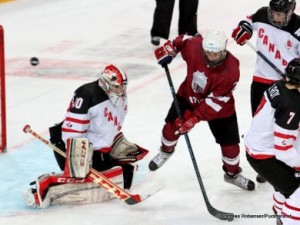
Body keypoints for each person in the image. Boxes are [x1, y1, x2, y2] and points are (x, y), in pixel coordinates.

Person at [23, 64, 149, 208]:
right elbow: (73, 132)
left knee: (126, 170)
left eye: (123, 87)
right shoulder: (87, 93)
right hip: (69, 145)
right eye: (117, 87)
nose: (121, 91)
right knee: (82, 178)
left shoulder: (121, 98)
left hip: (96, 149)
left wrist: (115, 143)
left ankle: (96, 165)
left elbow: (110, 127)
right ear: (106, 83)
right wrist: (79, 159)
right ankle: (41, 188)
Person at [149, 30, 255, 191]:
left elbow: (215, 101)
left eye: (216, 54)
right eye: (208, 53)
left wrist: (193, 119)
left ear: (224, 50)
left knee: (231, 148)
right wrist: (169, 49)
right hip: (188, 96)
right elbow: (182, 40)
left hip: (220, 109)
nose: (211, 57)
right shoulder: (195, 47)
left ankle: (232, 174)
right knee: (171, 127)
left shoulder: (232, 69)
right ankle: (165, 151)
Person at [231, 0, 300, 183]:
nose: (275, 17)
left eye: (280, 14)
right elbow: (247, 23)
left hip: (288, 85)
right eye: (273, 13)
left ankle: (289, 161)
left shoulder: (299, 28)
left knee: (288, 125)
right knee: (261, 122)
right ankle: (267, 164)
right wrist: (243, 30)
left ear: (291, 12)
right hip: (260, 81)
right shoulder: (262, 14)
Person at [245, 58, 300, 225]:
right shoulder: (293, 105)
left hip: (258, 147)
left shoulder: (279, 85)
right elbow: (283, 151)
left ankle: (280, 215)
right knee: (297, 191)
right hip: (265, 156)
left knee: (284, 186)